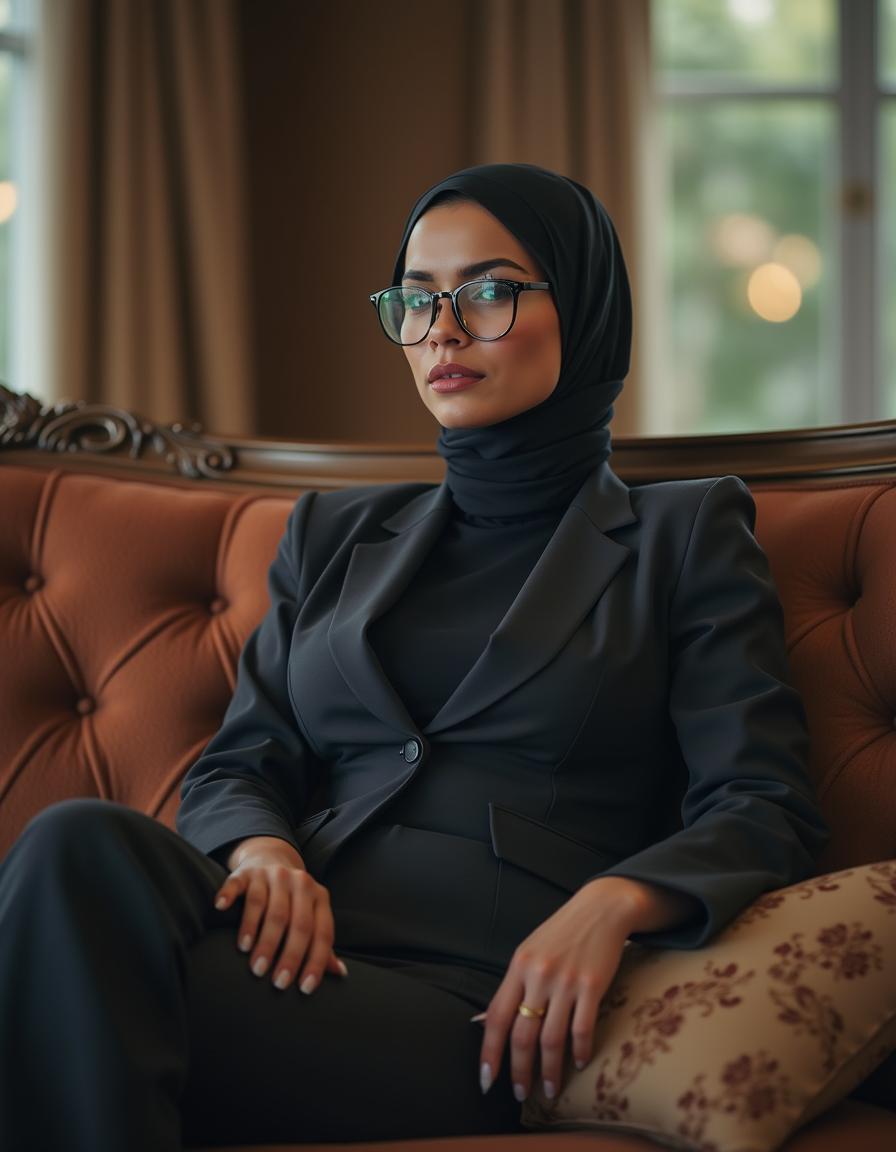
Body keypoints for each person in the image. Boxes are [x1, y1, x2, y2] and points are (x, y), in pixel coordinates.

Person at [0, 163, 829, 1151]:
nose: (440, 329)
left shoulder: (682, 533)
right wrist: (263, 851)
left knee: (59, 992)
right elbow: (239, 763)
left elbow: (760, 802)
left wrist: (611, 904)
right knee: (73, 840)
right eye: (416, 297)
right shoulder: (335, 533)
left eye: (485, 290)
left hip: (475, 1004)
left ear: (585, 306)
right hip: (283, 945)